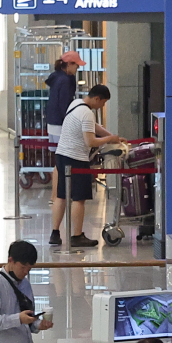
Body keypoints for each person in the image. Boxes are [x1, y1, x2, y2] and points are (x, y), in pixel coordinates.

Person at [51, 83, 127, 248]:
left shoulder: (76, 104)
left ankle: (55, 233)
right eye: (103, 103)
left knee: (61, 195)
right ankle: (77, 236)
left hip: (62, 154)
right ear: (97, 98)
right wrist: (109, 140)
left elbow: (93, 128)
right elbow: (90, 141)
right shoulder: (87, 113)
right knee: (79, 198)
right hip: (76, 158)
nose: (102, 106)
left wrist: (112, 136)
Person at [45, 52, 84, 206]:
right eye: (76, 65)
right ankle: (57, 196)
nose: (77, 69)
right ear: (69, 65)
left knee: (58, 162)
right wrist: (71, 122)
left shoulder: (55, 77)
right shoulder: (66, 80)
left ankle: (55, 196)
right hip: (61, 124)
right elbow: (64, 104)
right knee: (62, 163)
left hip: (52, 123)